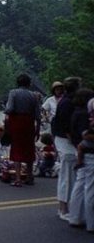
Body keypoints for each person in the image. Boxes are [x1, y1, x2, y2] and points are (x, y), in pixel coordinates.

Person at [4, 73, 41, 187]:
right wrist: (38, 129)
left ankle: (18, 178)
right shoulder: (34, 96)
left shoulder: (13, 93)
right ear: (29, 83)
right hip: (29, 122)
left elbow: (9, 108)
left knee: (16, 149)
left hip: (16, 121)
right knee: (29, 148)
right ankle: (30, 176)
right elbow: (38, 114)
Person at [52, 77, 81, 220]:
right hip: (66, 141)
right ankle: (63, 208)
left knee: (69, 175)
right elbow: (65, 125)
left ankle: (67, 207)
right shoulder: (69, 103)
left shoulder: (64, 101)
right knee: (67, 176)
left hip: (63, 139)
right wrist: (74, 141)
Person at [67, 88, 94, 231]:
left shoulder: (76, 112)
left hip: (81, 150)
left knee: (80, 184)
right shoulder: (86, 115)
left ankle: (75, 216)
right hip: (90, 151)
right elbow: (87, 135)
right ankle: (91, 223)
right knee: (91, 188)